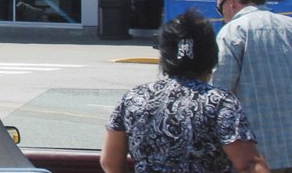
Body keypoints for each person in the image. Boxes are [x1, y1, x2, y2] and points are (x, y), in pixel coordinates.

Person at [101, 9, 268, 173]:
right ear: (211, 58)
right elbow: (248, 164)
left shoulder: (133, 98)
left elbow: (110, 162)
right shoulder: (220, 103)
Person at [212, 0, 292, 173]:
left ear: (230, 1)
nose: (221, 15)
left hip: (256, 157)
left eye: (219, 8)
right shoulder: (289, 26)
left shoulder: (233, 32)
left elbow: (220, 93)